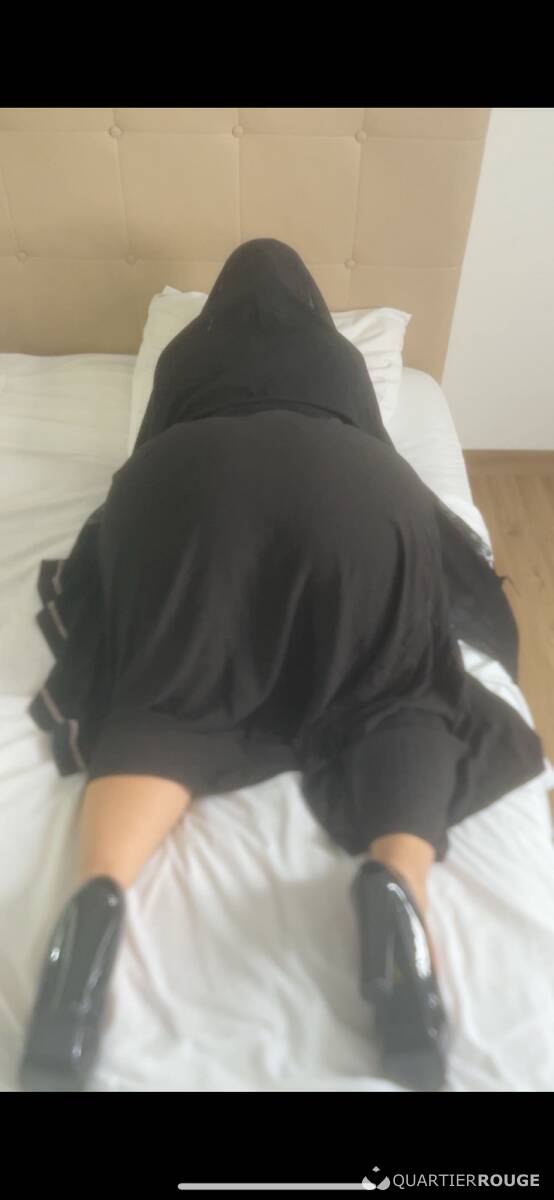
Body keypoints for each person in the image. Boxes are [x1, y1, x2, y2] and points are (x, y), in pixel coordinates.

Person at [20, 239, 546, 1094]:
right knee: (399, 691)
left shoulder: (184, 356)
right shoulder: (340, 360)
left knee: (162, 689)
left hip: (183, 479)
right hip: (352, 480)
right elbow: (380, 455)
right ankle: (398, 888)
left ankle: (95, 903)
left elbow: (147, 452)